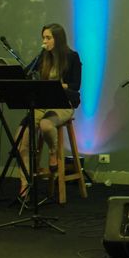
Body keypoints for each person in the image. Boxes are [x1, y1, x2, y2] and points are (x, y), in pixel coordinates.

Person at [18, 23, 82, 198]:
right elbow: (26, 74)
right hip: (43, 103)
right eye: (43, 38)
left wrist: (58, 86)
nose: (44, 41)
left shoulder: (72, 57)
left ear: (58, 39)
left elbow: (75, 85)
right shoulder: (42, 58)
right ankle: (24, 183)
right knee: (21, 139)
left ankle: (53, 152)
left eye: (48, 38)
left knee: (46, 125)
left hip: (63, 103)